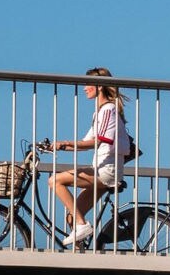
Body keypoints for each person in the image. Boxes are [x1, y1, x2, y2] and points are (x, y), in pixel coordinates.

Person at [44, 67, 134, 246]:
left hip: (106, 172)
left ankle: (83, 226)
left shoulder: (109, 109)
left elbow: (98, 141)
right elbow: (86, 143)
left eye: (88, 84)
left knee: (55, 181)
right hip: (100, 170)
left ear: (99, 86)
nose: (85, 88)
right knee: (72, 217)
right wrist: (59, 146)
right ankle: (79, 255)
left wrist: (67, 142)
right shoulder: (99, 112)